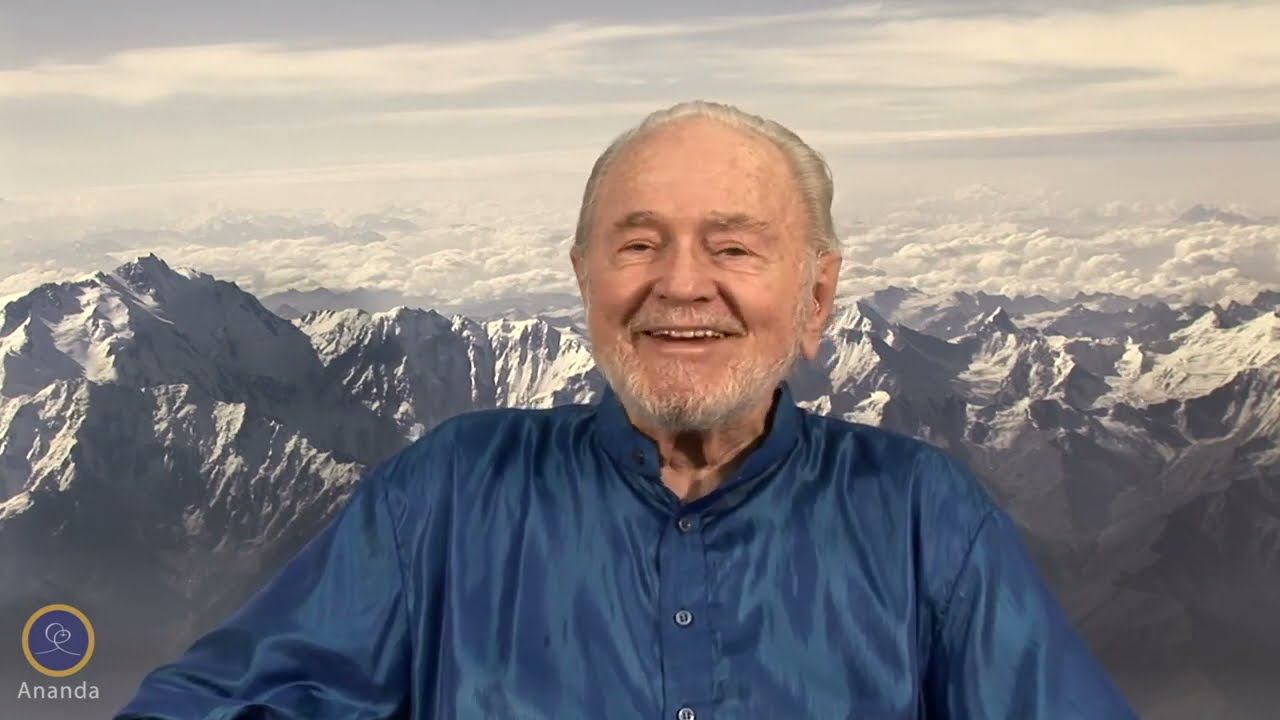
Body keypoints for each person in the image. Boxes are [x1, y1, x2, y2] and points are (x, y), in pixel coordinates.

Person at [115, 100, 1137, 719]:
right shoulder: (449, 492)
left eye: (733, 246)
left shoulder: (923, 516)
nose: (680, 284)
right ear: (584, 281)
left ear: (817, 297)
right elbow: (217, 701)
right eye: (638, 244)